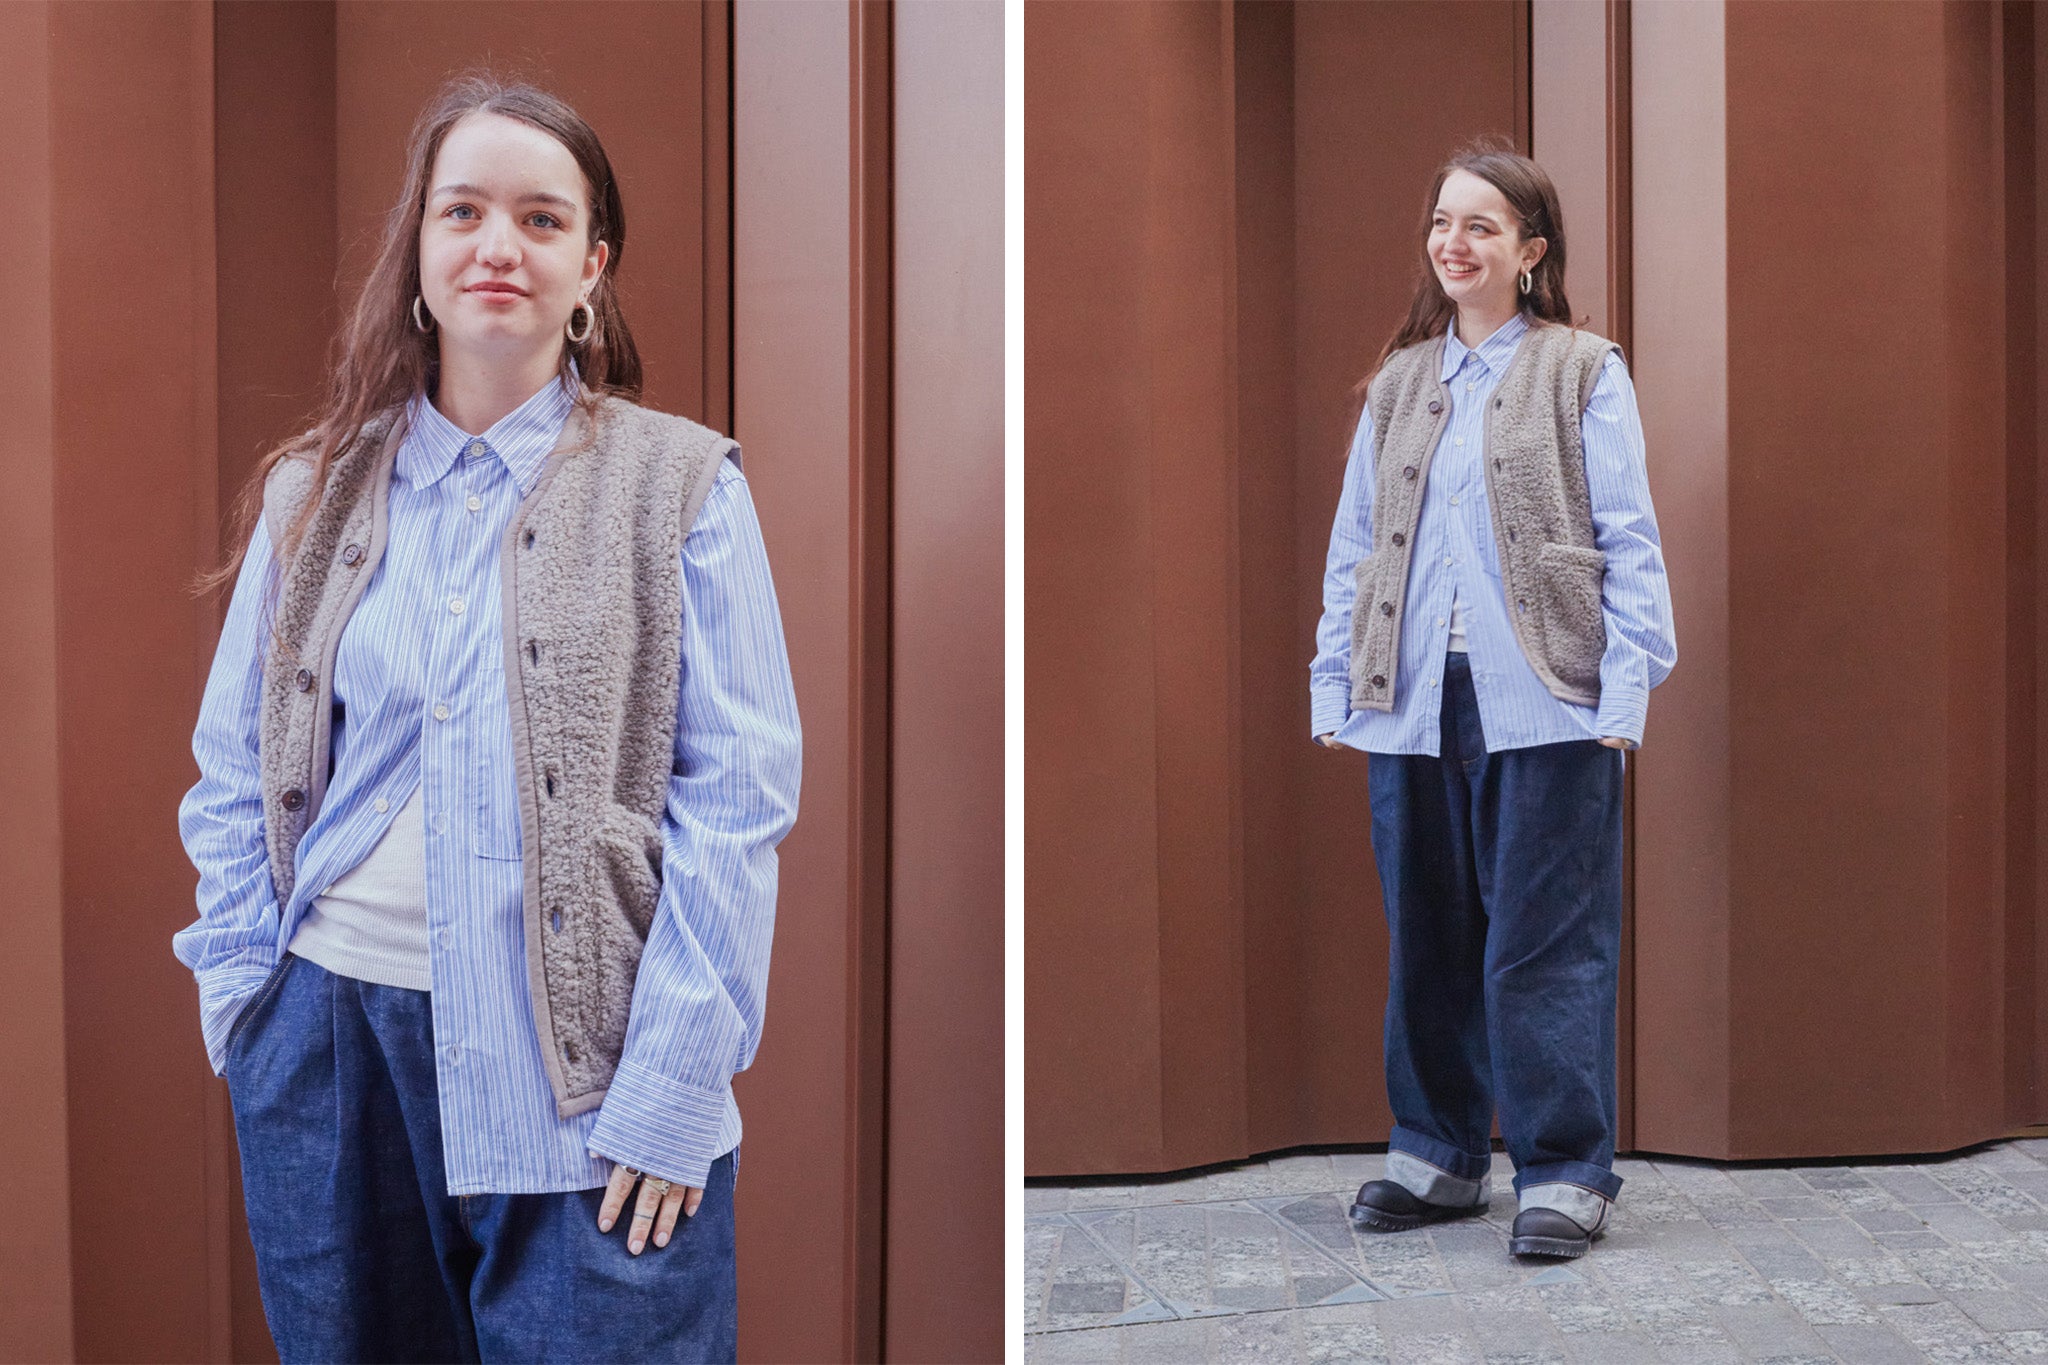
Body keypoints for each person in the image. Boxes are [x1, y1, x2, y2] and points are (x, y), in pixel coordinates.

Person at [174, 75, 800, 1361]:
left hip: (588, 1073)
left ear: (591, 268)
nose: (497, 246)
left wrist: (679, 1084)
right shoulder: (316, 490)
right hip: (336, 1049)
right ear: (419, 251)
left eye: (540, 218)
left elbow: (735, 800)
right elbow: (234, 765)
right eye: (462, 211)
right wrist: (246, 996)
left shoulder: (678, 487)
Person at [1309, 143, 1675, 1260]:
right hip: (1411, 699)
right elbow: (1355, 550)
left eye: (1480, 226)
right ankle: (1437, 1156)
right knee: (1427, 931)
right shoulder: (1401, 382)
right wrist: (1336, 678)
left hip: (1547, 699)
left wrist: (1625, 685)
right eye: (1439, 223)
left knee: (1541, 943)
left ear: (1529, 251)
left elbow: (1625, 536)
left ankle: (1564, 1170)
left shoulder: (1580, 369)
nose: (1452, 243)